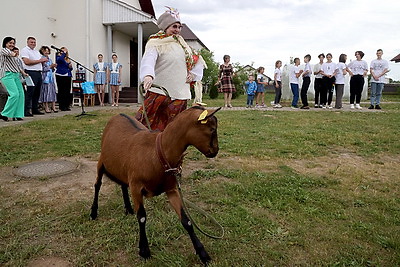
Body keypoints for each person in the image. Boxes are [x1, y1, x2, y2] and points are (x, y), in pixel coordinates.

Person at [135, 7, 203, 131]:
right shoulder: (155, 42)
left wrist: (193, 75)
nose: (177, 30)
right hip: (160, 92)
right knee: (146, 125)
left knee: (174, 129)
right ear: (166, 27)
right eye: (174, 27)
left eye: (179, 27)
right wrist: (148, 75)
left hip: (180, 93)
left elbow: (198, 60)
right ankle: (143, 148)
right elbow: (148, 60)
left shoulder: (183, 45)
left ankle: (170, 150)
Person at [0, 37, 28, 122]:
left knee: (21, 94)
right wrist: (15, 54)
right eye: (10, 43)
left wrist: (24, 73)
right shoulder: (4, 50)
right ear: (5, 43)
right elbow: (11, 54)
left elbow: (17, 67)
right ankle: (4, 114)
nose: (12, 45)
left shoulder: (14, 56)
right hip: (7, 75)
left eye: (13, 43)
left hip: (16, 75)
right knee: (14, 94)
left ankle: (18, 114)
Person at [21, 36, 48, 116]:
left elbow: (39, 61)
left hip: (38, 72)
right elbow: (27, 62)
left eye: (34, 42)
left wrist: (42, 61)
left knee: (37, 92)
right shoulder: (25, 50)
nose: (33, 44)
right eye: (31, 42)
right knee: (30, 92)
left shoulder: (36, 52)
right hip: (30, 72)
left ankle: (35, 108)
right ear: (27, 42)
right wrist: (40, 61)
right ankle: (26, 110)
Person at [38, 46, 58, 113]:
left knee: (52, 91)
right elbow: (42, 69)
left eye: (47, 51)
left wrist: (53, 67)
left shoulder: (50, 59)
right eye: (45, 51)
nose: (46, 52)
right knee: (46, 92)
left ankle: (53, 106)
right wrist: (50, 67)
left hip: (50, 77)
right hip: (45, 77)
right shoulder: (41, 59)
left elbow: (52, 70)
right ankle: (46, 107)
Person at [55, 47, 73, 111]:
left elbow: (70, 68)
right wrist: (63, 54)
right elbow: (60, 60)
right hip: (60, 75)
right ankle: (62, 106)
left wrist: (70, 67)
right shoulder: (58, 57)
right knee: (61, 90)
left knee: (67, 91)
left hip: (67, 75)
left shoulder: (68, 59)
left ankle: (67, 105)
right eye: (62, 51)